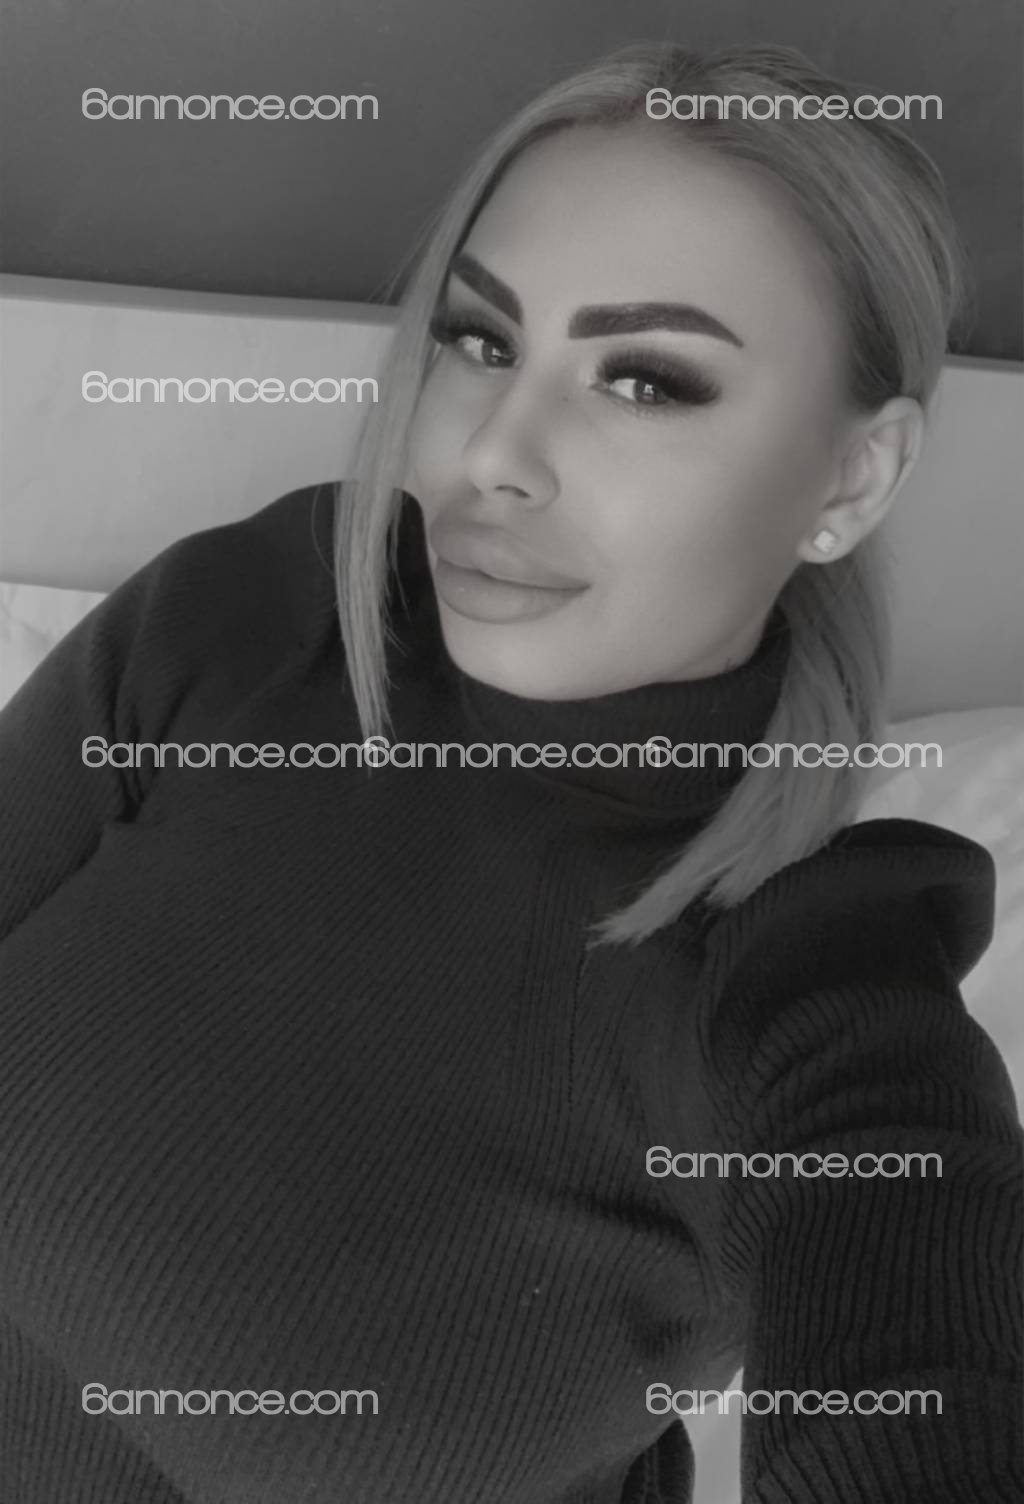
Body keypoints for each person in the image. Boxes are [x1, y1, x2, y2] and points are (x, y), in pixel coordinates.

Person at [1, 40, 1021, 1504]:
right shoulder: (265, 612)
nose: (496, 453)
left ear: (850, 481)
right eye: (482, 341)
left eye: (646, 380)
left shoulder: (811, 972)